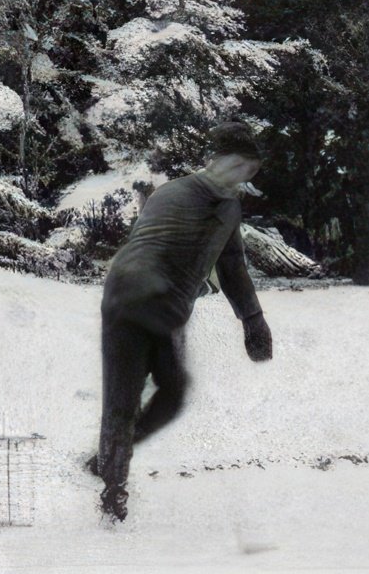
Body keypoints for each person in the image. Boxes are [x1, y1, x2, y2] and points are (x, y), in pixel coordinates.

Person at [92, 123, 274, 523]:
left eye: (252, 170)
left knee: (173, 392)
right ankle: (112, 496)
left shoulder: (227, 207)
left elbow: (232, 267)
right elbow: (151, 245)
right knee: (121, 403)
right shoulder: (176, 193)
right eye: (239, 165)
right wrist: (161, 290)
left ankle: (105, 461)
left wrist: (253, 319)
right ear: (218, 160)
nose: (244, 175)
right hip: (132, 299)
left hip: (165, 308)